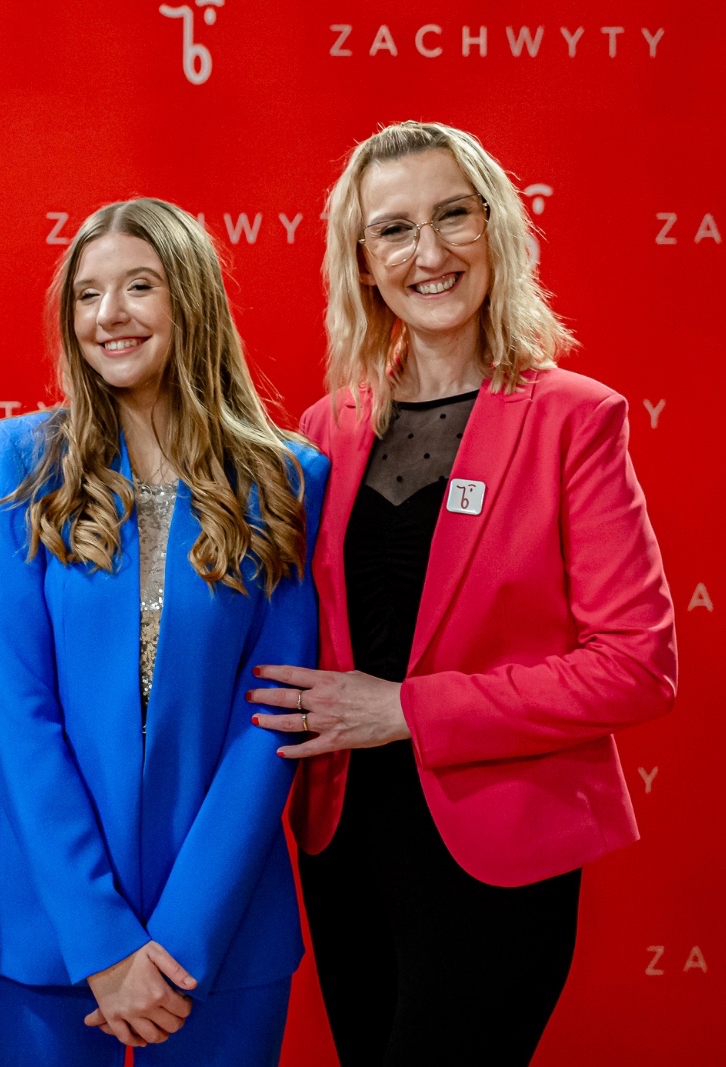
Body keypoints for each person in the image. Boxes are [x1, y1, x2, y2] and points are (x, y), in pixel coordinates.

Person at [248, 121, 677, 1065]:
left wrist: (406, 709)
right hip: (343, 841)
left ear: (497, 228)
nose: (429, 253)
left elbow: (636, 666)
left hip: (497, 848)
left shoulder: (576, 419)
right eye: (394, 229)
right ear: (364, 262)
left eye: (453, 216)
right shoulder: (327, 427)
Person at [0, 198, 328, 1066]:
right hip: (49, 926)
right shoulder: (21, 460)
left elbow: (272, 719)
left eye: (139, 286)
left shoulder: (285, 475)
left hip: (222, 930)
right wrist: (102, 940)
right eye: (87, 294)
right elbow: (18, 714)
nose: (109, 315)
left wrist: (181, 940)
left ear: (190, 298)